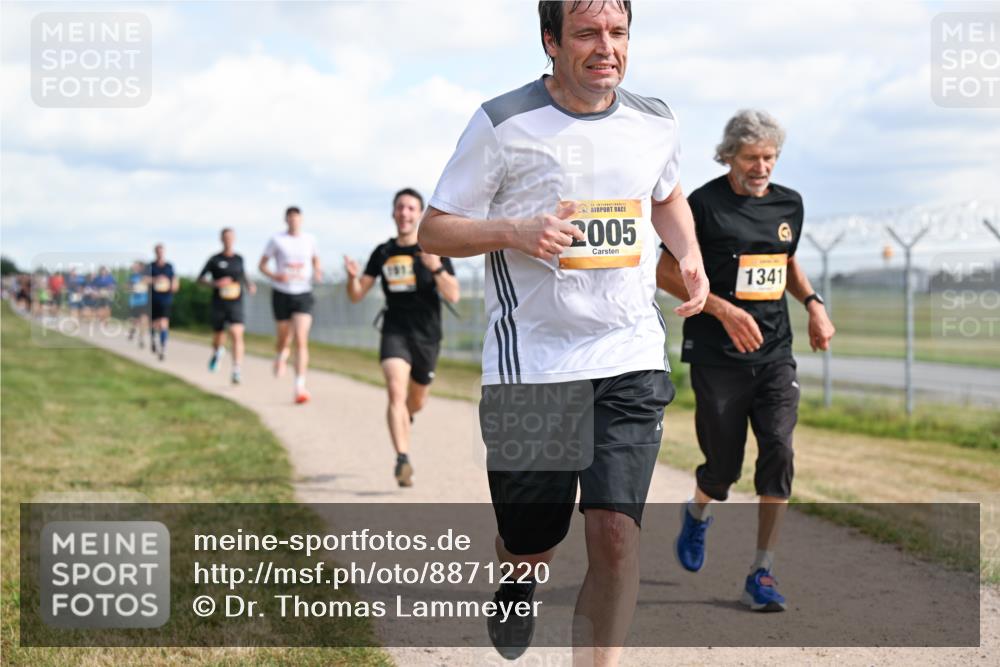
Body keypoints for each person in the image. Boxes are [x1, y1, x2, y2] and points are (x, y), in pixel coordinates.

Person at [419, 1, 708, 662]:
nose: (606, 47)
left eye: (617, 32)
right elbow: (434, 229)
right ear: (550, 41)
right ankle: (518, 578)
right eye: (586, 33)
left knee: (615, 535)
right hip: (534, 365)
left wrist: (688, 251)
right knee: (531, 539)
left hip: (629, 352)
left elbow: (666, 195)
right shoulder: (503, 124)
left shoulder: (655, 121)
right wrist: (513, 230)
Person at [655, 109, 836, 612]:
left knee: (778, 449)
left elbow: (785, 261)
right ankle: (698, 511)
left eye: (770, 157)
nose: (762, 167)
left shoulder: (789, 203)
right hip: (717, 355)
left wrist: (814, 304)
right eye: (752, 158)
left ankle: (762, 571)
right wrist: (723, 309)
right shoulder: (702, 205)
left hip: (775, 351)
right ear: (729, 156)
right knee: (722, 469)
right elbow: (666, 272)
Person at [344, 188, 460, 487]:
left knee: (416, 401)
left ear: (419, 214)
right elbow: (357, 295)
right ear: (393, 213)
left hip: (427, 335)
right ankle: (402, 459)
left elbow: (454, 294)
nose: (404, 213)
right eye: (400, 207)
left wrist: (435, 267)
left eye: (410, 208)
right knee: (395, 391)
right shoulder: (383, 253)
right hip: (394, 330)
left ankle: (405, 417)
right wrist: (352, 277)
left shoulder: (434, 249)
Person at [259, 206, 322, 404]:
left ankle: (299, 386)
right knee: (284, 337)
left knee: (301, 339)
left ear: (301, 220)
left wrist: (317, 271)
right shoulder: (277, 240)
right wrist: (275, 275)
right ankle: (280, 354)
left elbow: (316, 260)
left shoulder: (310, 240)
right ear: (286, 220)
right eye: (291, 218)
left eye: (297, 218)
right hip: (282, 292)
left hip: (303, 292)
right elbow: (262, 265)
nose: (294, 221)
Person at [199, 228, 256, 384]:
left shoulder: (239, 259)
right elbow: (200, 279)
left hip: (236, 302)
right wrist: (215, 283)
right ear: (221, 239)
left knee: (236, 333)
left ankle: (236, 370)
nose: (228, 240)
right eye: (225, 237)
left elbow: (243, 274)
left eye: (231, 237)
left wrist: (250, 285)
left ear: (234, 239)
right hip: (219, 302)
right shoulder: (214, 259)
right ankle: (218, 351)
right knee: (219, 337)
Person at [148, 244, 179, 362]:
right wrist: (156, 279)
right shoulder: (150, 266)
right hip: (153, 298)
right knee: (153, 323)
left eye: (161, 251)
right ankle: (153, 338)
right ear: (155, 252)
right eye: (158, 251)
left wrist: (171, 285)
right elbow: (144, 279)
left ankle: (163, 347)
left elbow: (175, 282)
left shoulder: (169, 266)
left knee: (163, 322)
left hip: (166, 299)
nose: (160, 253)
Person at [126, 261, 150, 348]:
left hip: (144, 302)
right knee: (135, 321)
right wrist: (134, 288)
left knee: (144, 319)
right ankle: (132, 330)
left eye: (136, 266)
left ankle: (141, 338)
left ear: (141, 267)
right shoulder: (132, 277)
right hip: (134, 302)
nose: (134, 268)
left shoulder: (146, 276)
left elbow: (149, 284)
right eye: (134, 266)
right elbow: (127, 288)